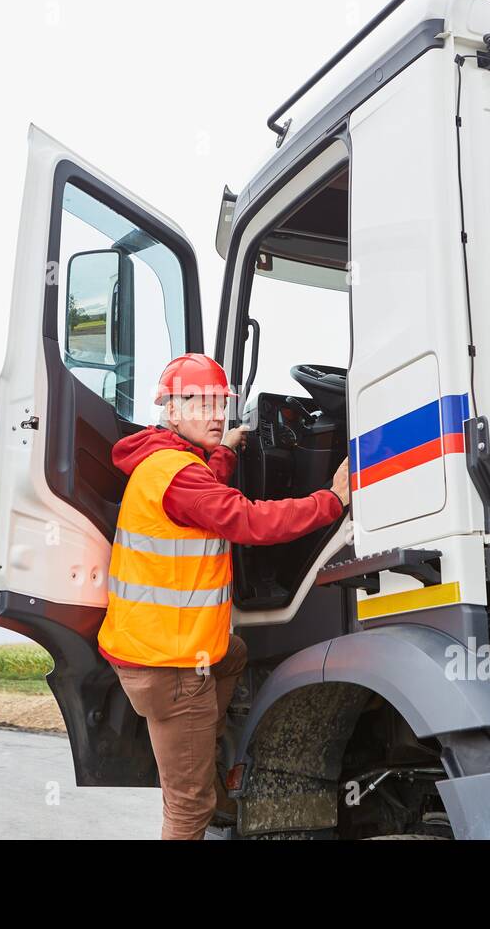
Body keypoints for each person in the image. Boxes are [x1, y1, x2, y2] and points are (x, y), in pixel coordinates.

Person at [97, 353, 350, 839]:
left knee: (233, 656)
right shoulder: (180, 477)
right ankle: (199, 757)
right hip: (171, 668)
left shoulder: (163, 459)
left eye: (221, 404)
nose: (216, 414)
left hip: (152, 649)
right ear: (172, 411)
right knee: (189, 808)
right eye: (202, 403)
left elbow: (203, 484)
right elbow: (250, 520)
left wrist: (226, 450)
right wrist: (332, 500)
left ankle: (202, 746)